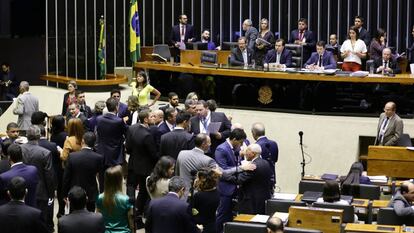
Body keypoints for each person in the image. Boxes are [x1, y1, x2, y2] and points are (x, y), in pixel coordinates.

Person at [125, 109, 158, 228]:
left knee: (131, 188)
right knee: (144, 192)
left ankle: (131, 211)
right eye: (151, 116)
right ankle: (137, 215)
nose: (153, 118)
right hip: (145, 168)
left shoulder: (133, 129)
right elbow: (153, 155)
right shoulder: (147, 135)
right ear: (145, 119)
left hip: (133, 164)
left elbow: (128, 148)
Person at [20, 125, 54, 232]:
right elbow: (49, 176)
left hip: (21, 188)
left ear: (26, 135)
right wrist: (51, 194)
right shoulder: (45, 153)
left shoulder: (19, 149)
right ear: (39, 136)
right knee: (40, 221)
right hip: (41, 191)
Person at [215, 128, 247, 233]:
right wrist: (239, 175)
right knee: (222, 214)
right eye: (240, 142)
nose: (241, 145)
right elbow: (222, 171)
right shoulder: (221, 149)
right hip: (225, 188)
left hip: (234, 188)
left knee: (230, 215)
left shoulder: (235, 148)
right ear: (234, 139)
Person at [62, 132, 103, 212]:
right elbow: (101, 178)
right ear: (94, 143)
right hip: (91, 193)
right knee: (90, 216)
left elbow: (66, 177)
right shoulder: (98, 158)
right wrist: (101, 193)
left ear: (83, 141)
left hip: (74, 193)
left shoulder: (72, 156)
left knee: (74, 216)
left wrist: (64, 194)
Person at [231, 144, 273, 214]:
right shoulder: (265, 162)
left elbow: (238, 180)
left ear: (253, 153)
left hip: (251, 201)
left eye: (247, 151)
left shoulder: (253, 166)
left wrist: (225, 174)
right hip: (263, 199)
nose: (245, 153)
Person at [96, 165, 134, 233]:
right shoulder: (126, 199)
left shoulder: (100, 198)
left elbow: (98, 219)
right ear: (119, 181)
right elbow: (131, 222)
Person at [96, 97, 127, 168]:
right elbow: (126, 132)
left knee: (102, 177)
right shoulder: (119, 121)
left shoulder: (99, 119)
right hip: (114, 155)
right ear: (116, 107)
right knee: (114, 177)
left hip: (101, 153)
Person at [192, 167, 221, 233]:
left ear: (202, 179)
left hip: (201, 227)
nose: (196, 179)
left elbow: (190, 209)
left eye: (197, 178)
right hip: (213, 225)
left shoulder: (198, 195)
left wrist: (193, 189)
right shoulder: (217, 192)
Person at [50, 115, 67, 217]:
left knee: (58, 189)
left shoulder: (53, 135)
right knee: (62, 189)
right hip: (63, 164)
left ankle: (60, 211)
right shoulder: (65, 135)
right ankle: (61, 210)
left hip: (55, 164)